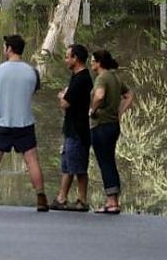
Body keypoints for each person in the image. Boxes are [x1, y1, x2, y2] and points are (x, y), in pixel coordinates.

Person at [0, 35, 49, 212]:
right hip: (25, 123)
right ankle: (41, 199)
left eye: (4, 46)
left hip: (2, 123)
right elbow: (34, 90)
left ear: (9, 49)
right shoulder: (32, 71)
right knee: (32, 161)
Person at [89, 50, 134, 214]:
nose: (91, 63)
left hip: (101, 125)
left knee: (105, 162)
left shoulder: (102, 78)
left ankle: (112, 202)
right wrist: (120, 112)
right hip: (113, 125)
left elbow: (99, 96)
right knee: (109, 160)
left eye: (93, 61)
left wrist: (92, 110)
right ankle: (113, 200)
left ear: (99, 62)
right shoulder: (115, 77)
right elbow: (129, 95)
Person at [51, 44, 94, 212]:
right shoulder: (76, 77)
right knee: (67, 165)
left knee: (79, 166)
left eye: (68, 56)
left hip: (78, 130)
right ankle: (61, 198)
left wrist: (63, 95)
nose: (65, 60)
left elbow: (65, 103)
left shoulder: (82, 79)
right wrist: (65, 95)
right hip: (71, 128)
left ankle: (82, 200)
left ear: (76, 59)